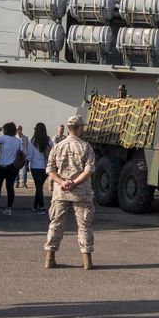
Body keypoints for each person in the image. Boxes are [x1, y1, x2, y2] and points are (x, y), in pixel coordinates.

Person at [43, 114, 97, 269]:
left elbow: (51, 170)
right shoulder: (86, 147)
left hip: (61, 192)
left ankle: (49, 258)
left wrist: (62, 182)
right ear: (79, 128)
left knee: (56, 224)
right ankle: (87, 260)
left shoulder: (57, 147)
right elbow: (89, 170)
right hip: (81, 193)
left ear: (68, 128)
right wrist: (74, 182)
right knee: (84, 225)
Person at [0, 122, 24, 215]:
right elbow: (20, 152)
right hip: (13, 167)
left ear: (6, 130)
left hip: (1, 166)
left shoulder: (3, 138)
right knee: (10, 187)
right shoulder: (17, 141)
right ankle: (9, 208)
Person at [27, 122, 51, 211]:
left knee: (39, 187)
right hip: (46, 167)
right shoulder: (48, 140)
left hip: (35, 166)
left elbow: (29, 155)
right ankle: (35, 206)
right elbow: (53, 151)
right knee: (39, 187)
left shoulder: (33, 140)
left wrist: (26, 164)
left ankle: (41, 207)